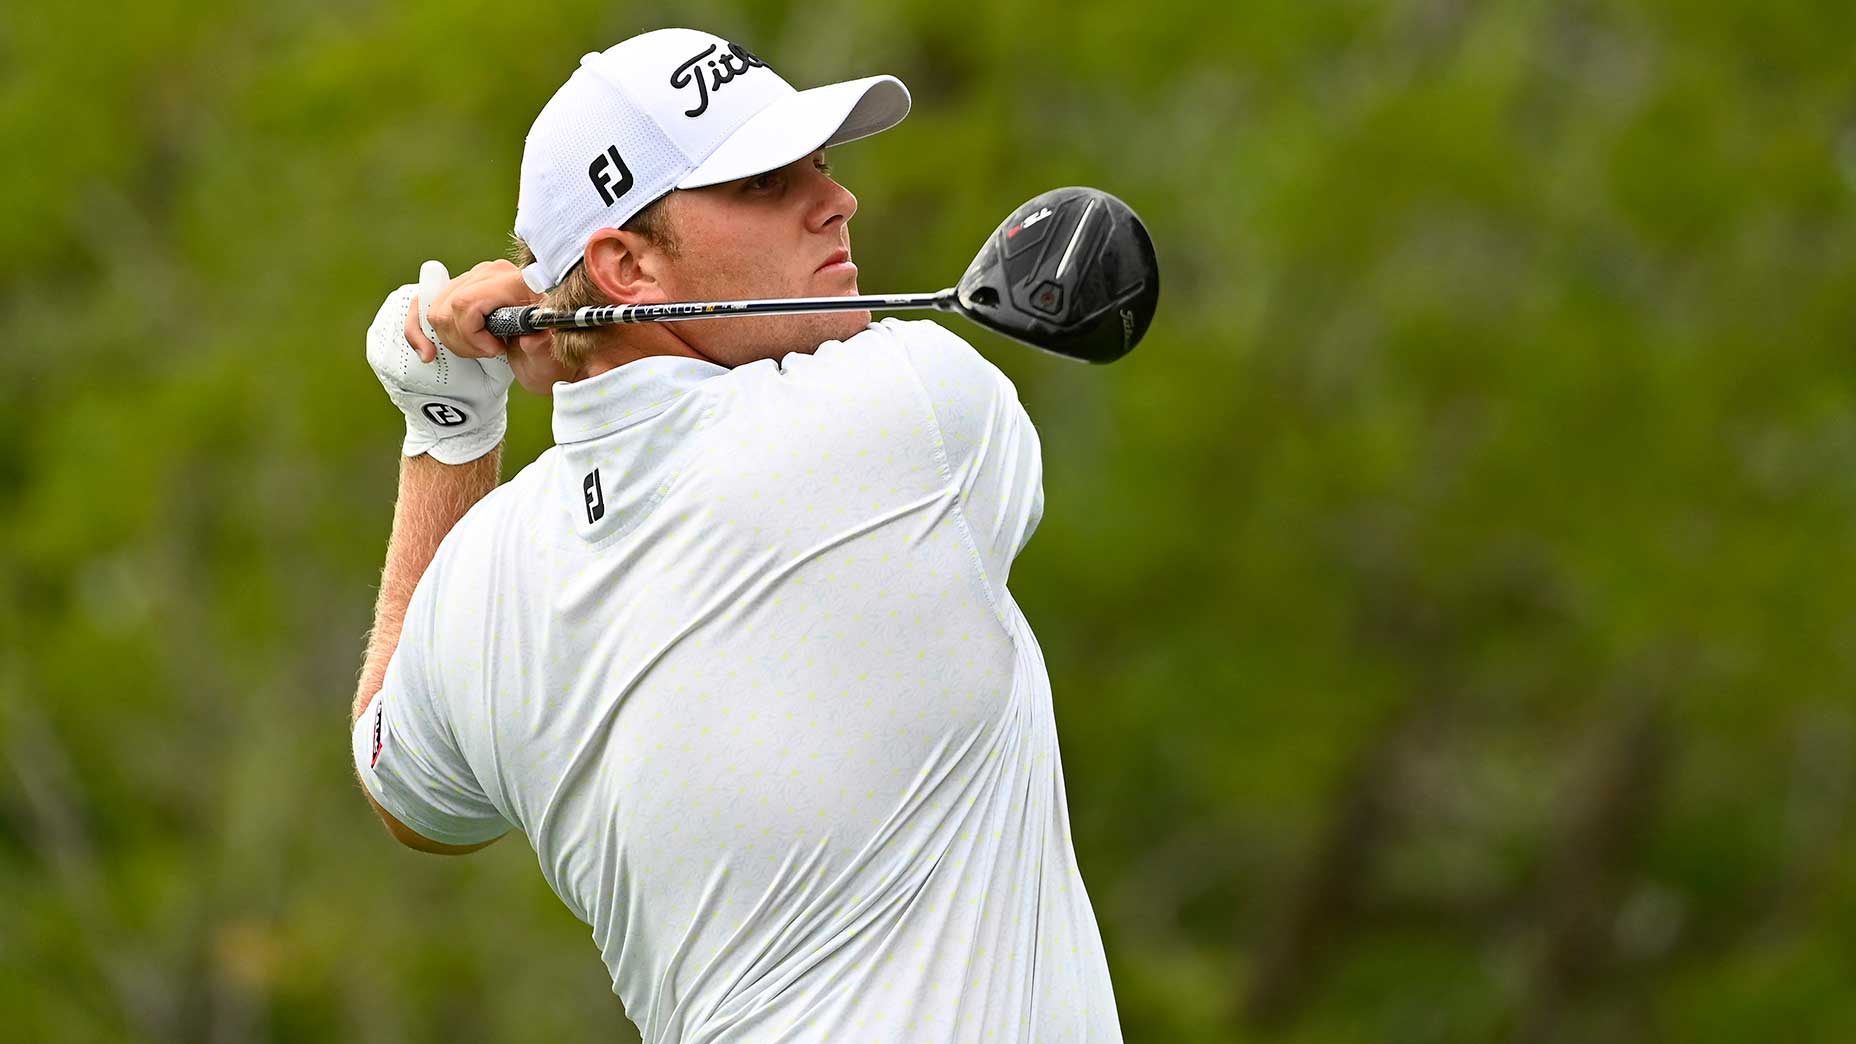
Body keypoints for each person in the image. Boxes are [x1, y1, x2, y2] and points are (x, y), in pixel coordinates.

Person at [351, 27, 1121, 1042]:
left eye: (821, 163)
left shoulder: (481, 579)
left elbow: (401, 788)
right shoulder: (910, 412)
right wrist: (559, 324)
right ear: (627, 264)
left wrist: (448, 428)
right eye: (764, 182)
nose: (833, 200)